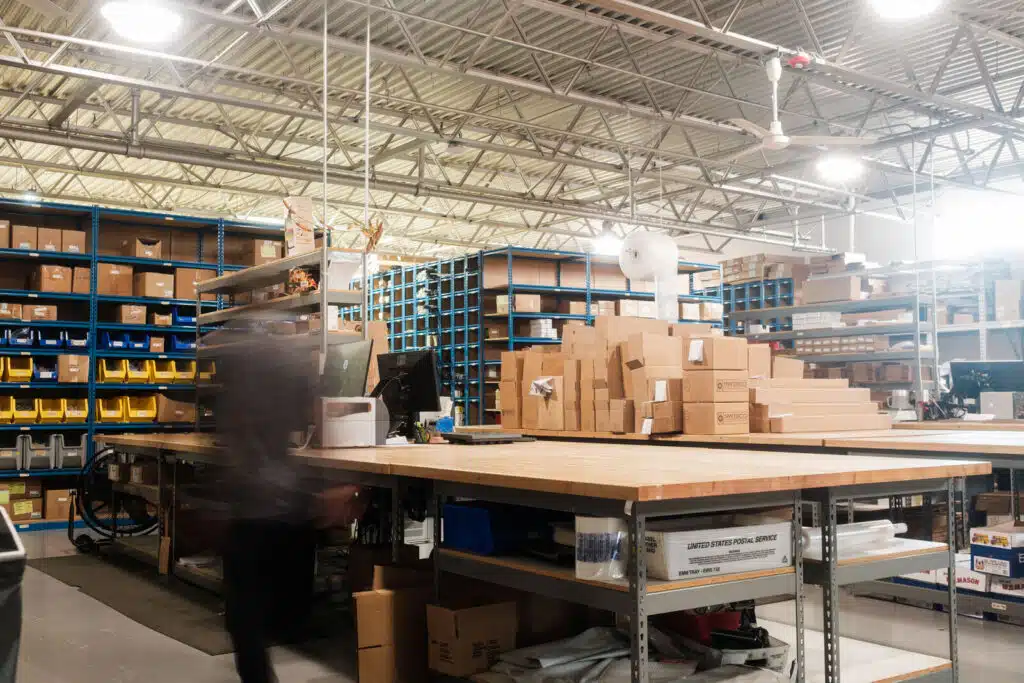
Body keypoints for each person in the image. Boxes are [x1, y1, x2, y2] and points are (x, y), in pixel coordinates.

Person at [216, 329, 366, 683]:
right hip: (268, 506)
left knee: (247, 615)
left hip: (256, 507)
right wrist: (316, 498)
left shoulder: (245, 375)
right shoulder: (281, 370)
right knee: (263, 612)